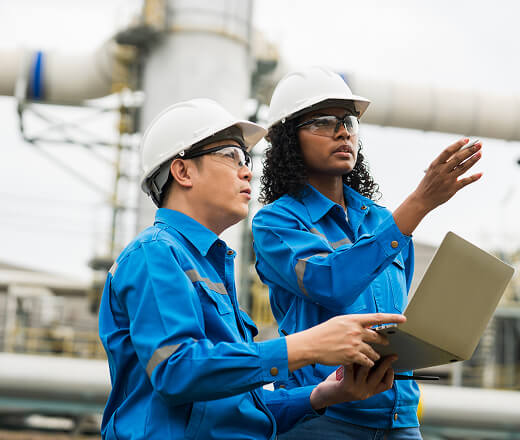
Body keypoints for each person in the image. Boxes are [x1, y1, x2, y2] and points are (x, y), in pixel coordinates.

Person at [98, 98, 408, 440]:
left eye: (247, 159)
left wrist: (325, 394)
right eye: (231, 155)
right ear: (182, 171)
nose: (247, 171)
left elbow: (246, 407)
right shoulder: (154, 253)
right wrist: (305, 347)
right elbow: (177, 369)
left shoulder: (208, 263)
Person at [252, 66, 484, 439]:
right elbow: (330, 282)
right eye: (324, 122)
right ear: (288, 139)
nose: (343, 131)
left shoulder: (381, 220)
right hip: (325, 421)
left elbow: (396, 317)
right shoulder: (275, 224)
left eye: (348, 121)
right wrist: (419, 204)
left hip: (401, 419)